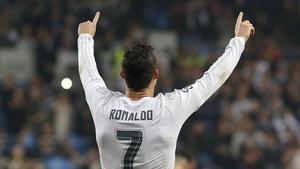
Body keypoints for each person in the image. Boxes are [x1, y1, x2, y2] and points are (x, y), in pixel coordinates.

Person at [77, 11, 254, 169]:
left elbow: (88, 72)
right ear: (156, 74)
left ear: (122, 74)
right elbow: (214, 78)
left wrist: (85, 36)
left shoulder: (103, 105)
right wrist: (239, 39)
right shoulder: (169, 108)